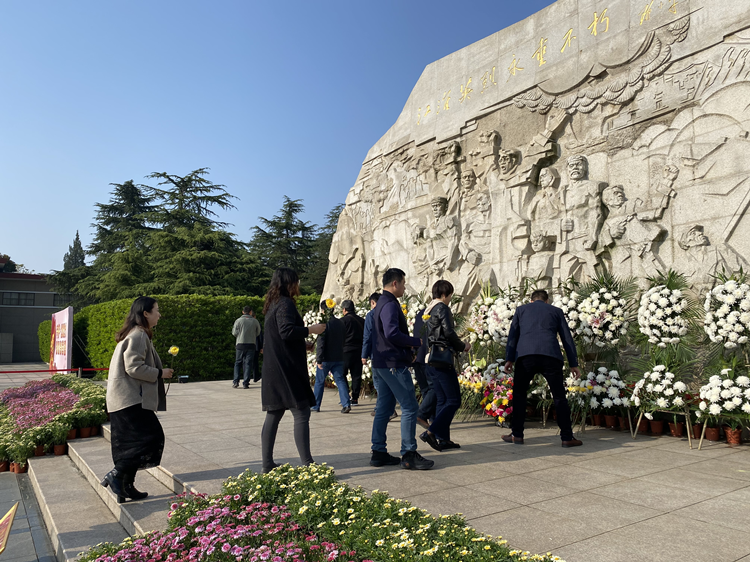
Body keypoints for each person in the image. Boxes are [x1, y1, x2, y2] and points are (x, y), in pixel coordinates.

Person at [102, 296, 173, 503]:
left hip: (122, 399)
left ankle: (125, 486)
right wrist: (160, 373)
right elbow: (133, 367)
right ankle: (116, 475)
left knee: (129, 444)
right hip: (130, 399)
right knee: (151, 437)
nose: (159, 314)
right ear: (146, 313)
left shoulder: (133, 333)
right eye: (156, 310)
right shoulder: (139, 334)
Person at [260, 268, 327, 473]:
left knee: (274, 412)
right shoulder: (285, 303)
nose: (299, 285)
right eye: (296, 282)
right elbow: (286, 331)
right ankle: (308, 464)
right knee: (301, 411)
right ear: (289, 283)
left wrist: (303, 344)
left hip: (273, 366)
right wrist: (311, 330)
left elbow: (281, 335)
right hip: (285, 368)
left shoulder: (273, 303)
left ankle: (267, 464)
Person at [370, 268, 434, 470]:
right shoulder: (389, 304)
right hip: (393, 364)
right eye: (404, 283)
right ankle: (409, 453)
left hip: (382, 362)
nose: (405, 287)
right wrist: (415, 341)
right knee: (410, 407)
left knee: (384, 408)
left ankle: (378, 452)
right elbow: (391, 333)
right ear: (395, 283)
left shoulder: (381, 302)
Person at [503, 289, 583, 447]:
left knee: (519, 395)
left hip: (526, 356)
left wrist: (509, 359)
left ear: (531, 300)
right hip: (550, 356)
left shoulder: (521, 310)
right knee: (559, 396)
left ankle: (517, 434)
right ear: (547, 301)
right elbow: (566, 338)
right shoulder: (556, 311)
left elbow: (513, 335)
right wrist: (573, 363)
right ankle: (567, 437)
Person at [419, 280, 470, 451]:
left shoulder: (429, 309)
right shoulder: (442, 308)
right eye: (449, 295)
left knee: (442, 400)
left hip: (432, 359)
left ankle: (443, 439)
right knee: (454, 400)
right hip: (442, 360)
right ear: (443, 294)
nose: (450, 299)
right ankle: (431, 432)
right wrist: (463, 346)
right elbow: (448, 332)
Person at [312, 301, 351, 413]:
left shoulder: (323, 324)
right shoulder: (340, 323)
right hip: (338, 356)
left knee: (319, 382)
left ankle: (315, 405)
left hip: (325, 358)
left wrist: (319, 359)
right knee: (340, 380)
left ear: (323, 310)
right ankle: (346, 404)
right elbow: (344, 339)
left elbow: (321, 343)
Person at [413, 307, 436, 429]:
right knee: (434, 388)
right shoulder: (437, 313)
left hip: (417, 355)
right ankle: (422, 415)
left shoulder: (420, 313)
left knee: (425, 389)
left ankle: (431, 418)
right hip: (428, 357)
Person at [340, 300, 365, 405]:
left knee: (342, 374)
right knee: (356, 375)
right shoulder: (362, 320)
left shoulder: (342, 321)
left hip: (346, 351)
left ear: (344, 309)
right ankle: (355, 398)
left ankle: (346, 396)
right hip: (359, 350)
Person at [232, 306, 262, 388]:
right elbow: (258, 332)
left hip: (240, 344)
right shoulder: (255, 321)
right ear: (250, 312)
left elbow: (234, 333)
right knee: (248, 363)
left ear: (243, 312)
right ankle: (246, 383)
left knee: (238, 363)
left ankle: (236, 381)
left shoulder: (238, 321)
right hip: (251, 344)